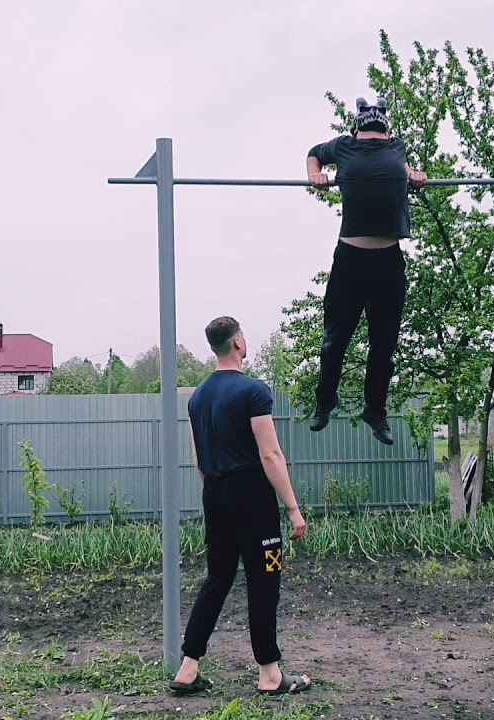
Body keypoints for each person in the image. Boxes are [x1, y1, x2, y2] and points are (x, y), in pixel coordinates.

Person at [169, 316, 313, 697]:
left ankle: (188, 668)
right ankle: (270, 675)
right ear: (237, 343)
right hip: (253, 498)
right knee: (265, 579)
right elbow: (270, 454)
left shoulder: (198, 398)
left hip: (214, 494)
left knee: (218, 578)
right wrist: (293, 508)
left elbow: (198, 459)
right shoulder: (253, 391)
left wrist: (217, 494)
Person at [305, 96, 427, 445]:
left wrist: (414, 175)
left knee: (384, 346)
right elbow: (313, 153)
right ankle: (325, 401)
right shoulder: (343, 146)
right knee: (334, 341)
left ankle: (375, 410)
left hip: (388, 260)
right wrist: (315, 175)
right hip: (351, 260)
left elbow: (405, 168)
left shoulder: (397, 147)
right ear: (357, 127)